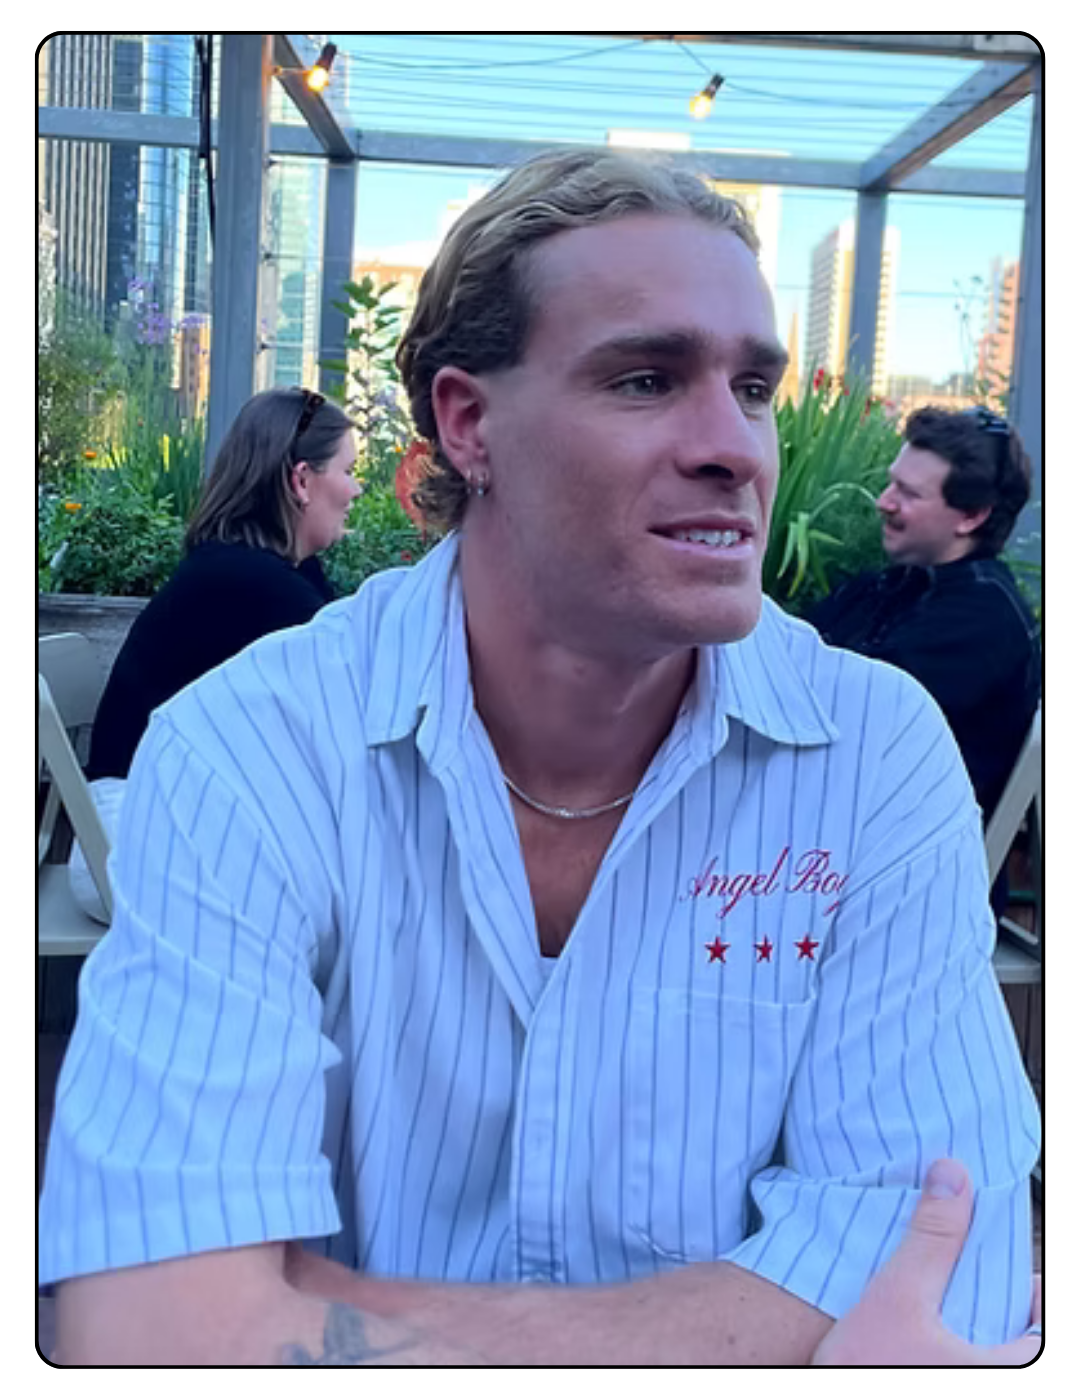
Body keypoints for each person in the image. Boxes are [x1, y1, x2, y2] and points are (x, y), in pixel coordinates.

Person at [40, 151, 1041, 1367]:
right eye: (645, 378)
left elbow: (951, 1276)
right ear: (469, 423)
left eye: (756, 387)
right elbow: (145, 1324)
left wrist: (300, 1312)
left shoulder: (874, 757)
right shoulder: (259, 747)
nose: (736, 445)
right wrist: (770, 1319)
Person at [807, 406, 1040, 911]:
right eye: (892, 484)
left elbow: (837, 718)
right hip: (847, 857)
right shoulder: (893, 583)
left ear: (971, 515)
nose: (883, 503)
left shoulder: (983, 618)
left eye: (908, 494)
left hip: (914, 888)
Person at [85, 386, 360, 783]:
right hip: (143, 819)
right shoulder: (255, 585)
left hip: (161, 798)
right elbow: (349, 704)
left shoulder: (256, 570)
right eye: (348, 471)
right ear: (302, 480)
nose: (356, 490)